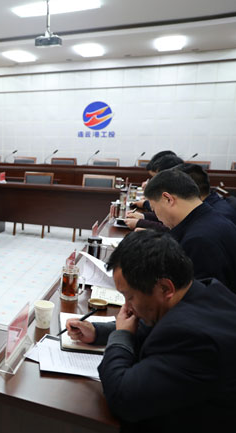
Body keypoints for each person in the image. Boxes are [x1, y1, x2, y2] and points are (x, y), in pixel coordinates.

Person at [66, 230, 236, 433]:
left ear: (165, 288)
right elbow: (152, 325)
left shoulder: (194, 339)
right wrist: (98, 332)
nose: (126, 307)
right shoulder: (204, 290)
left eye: (129, 297)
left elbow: (123, 399)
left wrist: (121, 337)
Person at [143, 168, 236, 292]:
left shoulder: (198, 240)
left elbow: (199, 298)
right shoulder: (212, 218)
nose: (158, 217)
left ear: (168, 199)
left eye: (154, 209)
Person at [126, 154, 184, 231]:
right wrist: (143, 216)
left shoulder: (180, 197)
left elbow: (170, 229)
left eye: (157, 177)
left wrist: (141, 223)